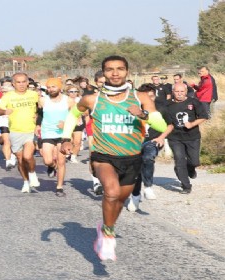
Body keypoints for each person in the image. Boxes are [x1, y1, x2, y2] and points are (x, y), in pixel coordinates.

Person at [60, 55, 167, 261]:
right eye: (109, 69)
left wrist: (143, 115)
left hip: (132, 158)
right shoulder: (92, 99)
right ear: (103, 73)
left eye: (119, 69)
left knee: (118, 201)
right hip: (103, 156)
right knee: (111, 192)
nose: (115, 73)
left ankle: (105, 227)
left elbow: (161, 126)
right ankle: (108, 237)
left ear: (127, 71)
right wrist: (66, 138)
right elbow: (73, 114)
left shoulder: (141, 97)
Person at [127, 84, 170, 211]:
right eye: (145, 97)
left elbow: (170, 125)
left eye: (151, 96)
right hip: (134, 142)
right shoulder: (132, 108)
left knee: (148, 158)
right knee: (135, 170)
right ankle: (135, 195)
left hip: (152, 140)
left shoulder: (161, 107)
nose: (148, 100)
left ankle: (148, 186)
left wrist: (162, 137)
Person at [0, 72, 41, 193]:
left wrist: (38, 118)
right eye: (18, 82)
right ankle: (26, 181)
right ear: (13, 84)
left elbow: (42, 108)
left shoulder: (34, 95)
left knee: (28, 156)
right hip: (15, 132)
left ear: (27, 82)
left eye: (23, 82)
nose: (21, 84)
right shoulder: (8, 96)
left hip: (30, 131)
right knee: (21, 160)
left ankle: (32, 174)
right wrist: (4, 112)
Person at [164, 83, 209, 194]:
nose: (179, 94)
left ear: (186, 91)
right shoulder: (168, 105)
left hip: (192, 137)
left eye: (182, 92)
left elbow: (204, 117)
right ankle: (186, 186)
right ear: (173, 92)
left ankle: (190, 168)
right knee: (180, 160)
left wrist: (191, 124)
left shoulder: (193, 102)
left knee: (194, 161)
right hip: (175, 138)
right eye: (177, 92)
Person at [36, 78, 75, 197]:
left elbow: (75, 117)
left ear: (60, 87)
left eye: (53, 87)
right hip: (47, 132)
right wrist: (37, 125)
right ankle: (52, 167)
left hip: (63, 134)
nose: (50, 89)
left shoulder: (68, 100)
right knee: (47, 160)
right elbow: (40, 114)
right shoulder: (43, 100)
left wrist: (66, 124)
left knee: (61, 161)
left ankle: (59, 187)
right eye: (48, 87)